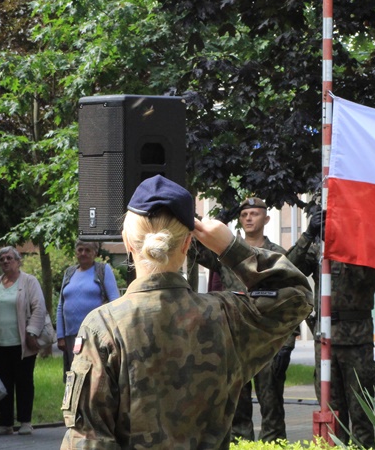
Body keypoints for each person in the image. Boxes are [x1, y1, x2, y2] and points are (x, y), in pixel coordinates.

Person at [60, 175, 313, 449]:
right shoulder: (226, 316)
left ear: (127, 243)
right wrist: (230, 247)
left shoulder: (104, 326)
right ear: (187, 244)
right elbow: (296, 294)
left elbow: (88, 440)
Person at [287, 204, 375, 447]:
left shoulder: (365, 245)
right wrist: (309, 234)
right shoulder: (319, 249)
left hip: (356, 341)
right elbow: (287, 271)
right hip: (326, 339)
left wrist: (344, 238)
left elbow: (364, 279)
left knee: (361, 412)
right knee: (331, 413)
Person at [212, 197, 293, 443]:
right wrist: (218, 223)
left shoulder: (277, 256)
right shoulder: (229, 255)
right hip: (236, 339)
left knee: (272, 404)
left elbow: (291, 298)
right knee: (237, 405)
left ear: (266, 219)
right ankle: (240, 445)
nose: (248, 218)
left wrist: (287, 341)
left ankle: (274, 446)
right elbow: (195, 251)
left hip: (269, 340)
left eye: (254, 214)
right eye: (244, 214)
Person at [0, 246, 48, 436]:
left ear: (18, 261)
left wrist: (32, 332)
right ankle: (6, 424)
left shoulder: (29, 282)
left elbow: (39, 308)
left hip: (23, 344)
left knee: (24, 382)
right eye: (1, 259)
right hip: (0, 344)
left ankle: (25, 422)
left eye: (9, 258)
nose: (5, 261)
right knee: (4, 384)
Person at [56, 239, 121, 373]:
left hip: (96, 334)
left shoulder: (103, 270)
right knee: (74, 372)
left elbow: (115, 301)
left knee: (95, 373)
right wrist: (60, 336)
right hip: (71, 334)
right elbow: (61, 305)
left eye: (87, 250)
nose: (83, 253)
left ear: (95, 253)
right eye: (80, 250)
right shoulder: (69, 273)